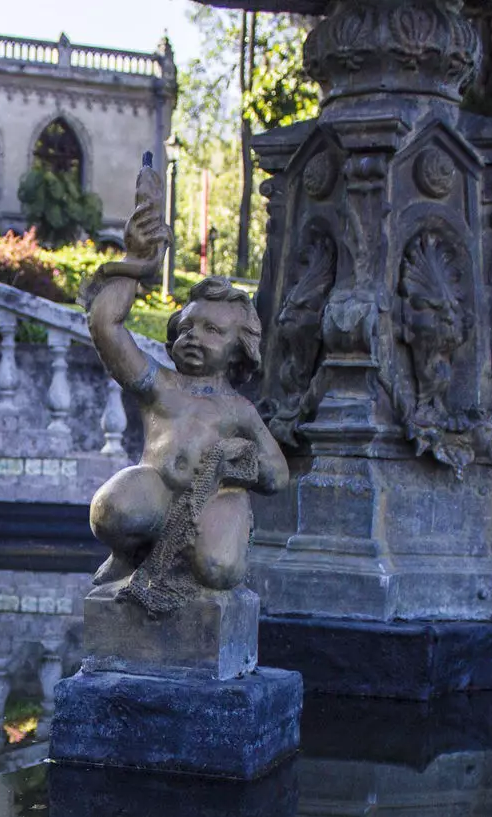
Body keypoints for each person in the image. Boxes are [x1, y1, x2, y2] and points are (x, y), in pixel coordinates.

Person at [85, 159, 290, 616]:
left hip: (214, 498)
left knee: (218, 568)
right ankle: (131, 556)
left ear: (239, 349)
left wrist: (234, 462)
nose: (195, 337)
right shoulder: (161, 386)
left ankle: (210, 546)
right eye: (188, 327)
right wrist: (135, 262)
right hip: (156, 494)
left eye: (213, 331)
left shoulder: (238, 410)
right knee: (112, 510)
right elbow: (105, 326)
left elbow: (277, 475)